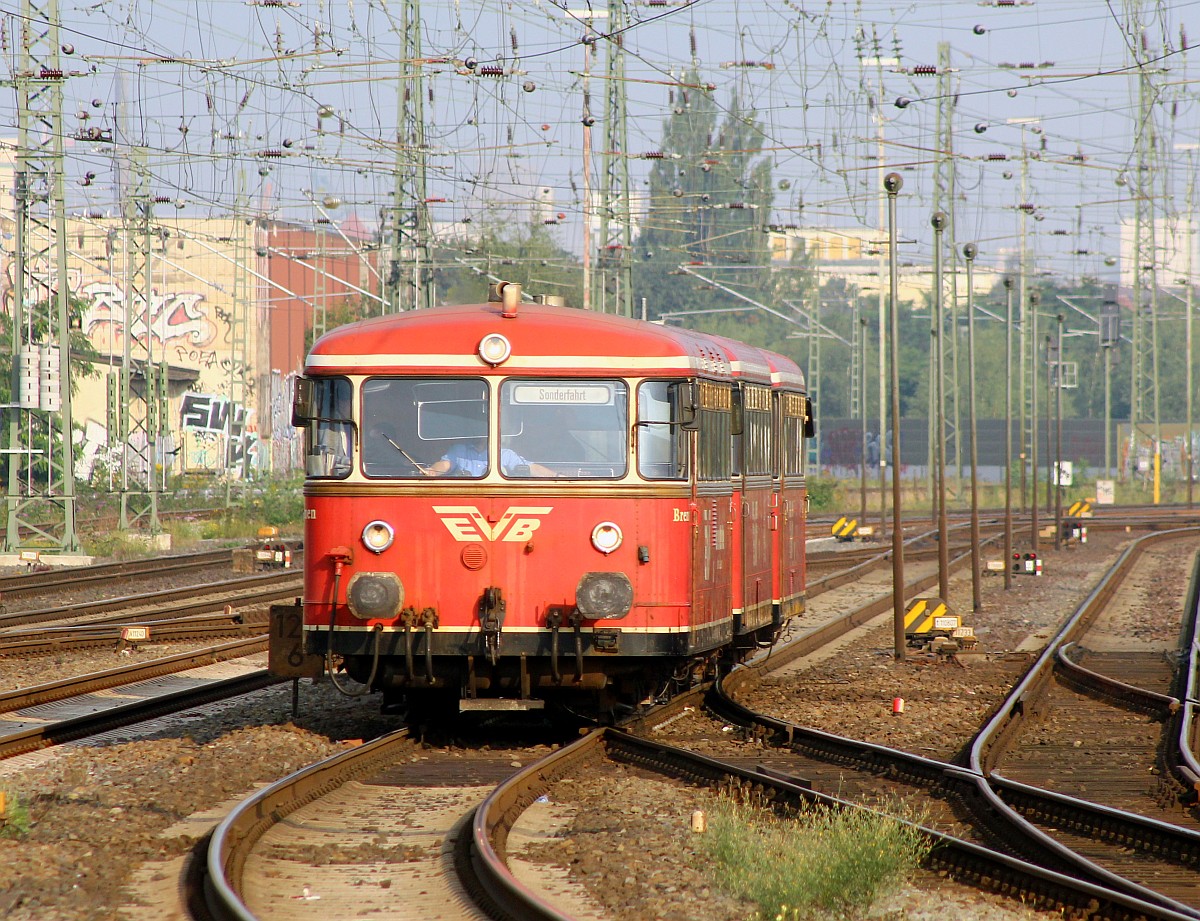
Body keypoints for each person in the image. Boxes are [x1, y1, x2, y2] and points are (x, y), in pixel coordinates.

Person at [427, 439, 557, 477]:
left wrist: (557, 477)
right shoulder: (459, 450)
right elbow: (445, 464)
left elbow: (530, 468)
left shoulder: (505, 454)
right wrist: (432, 471)